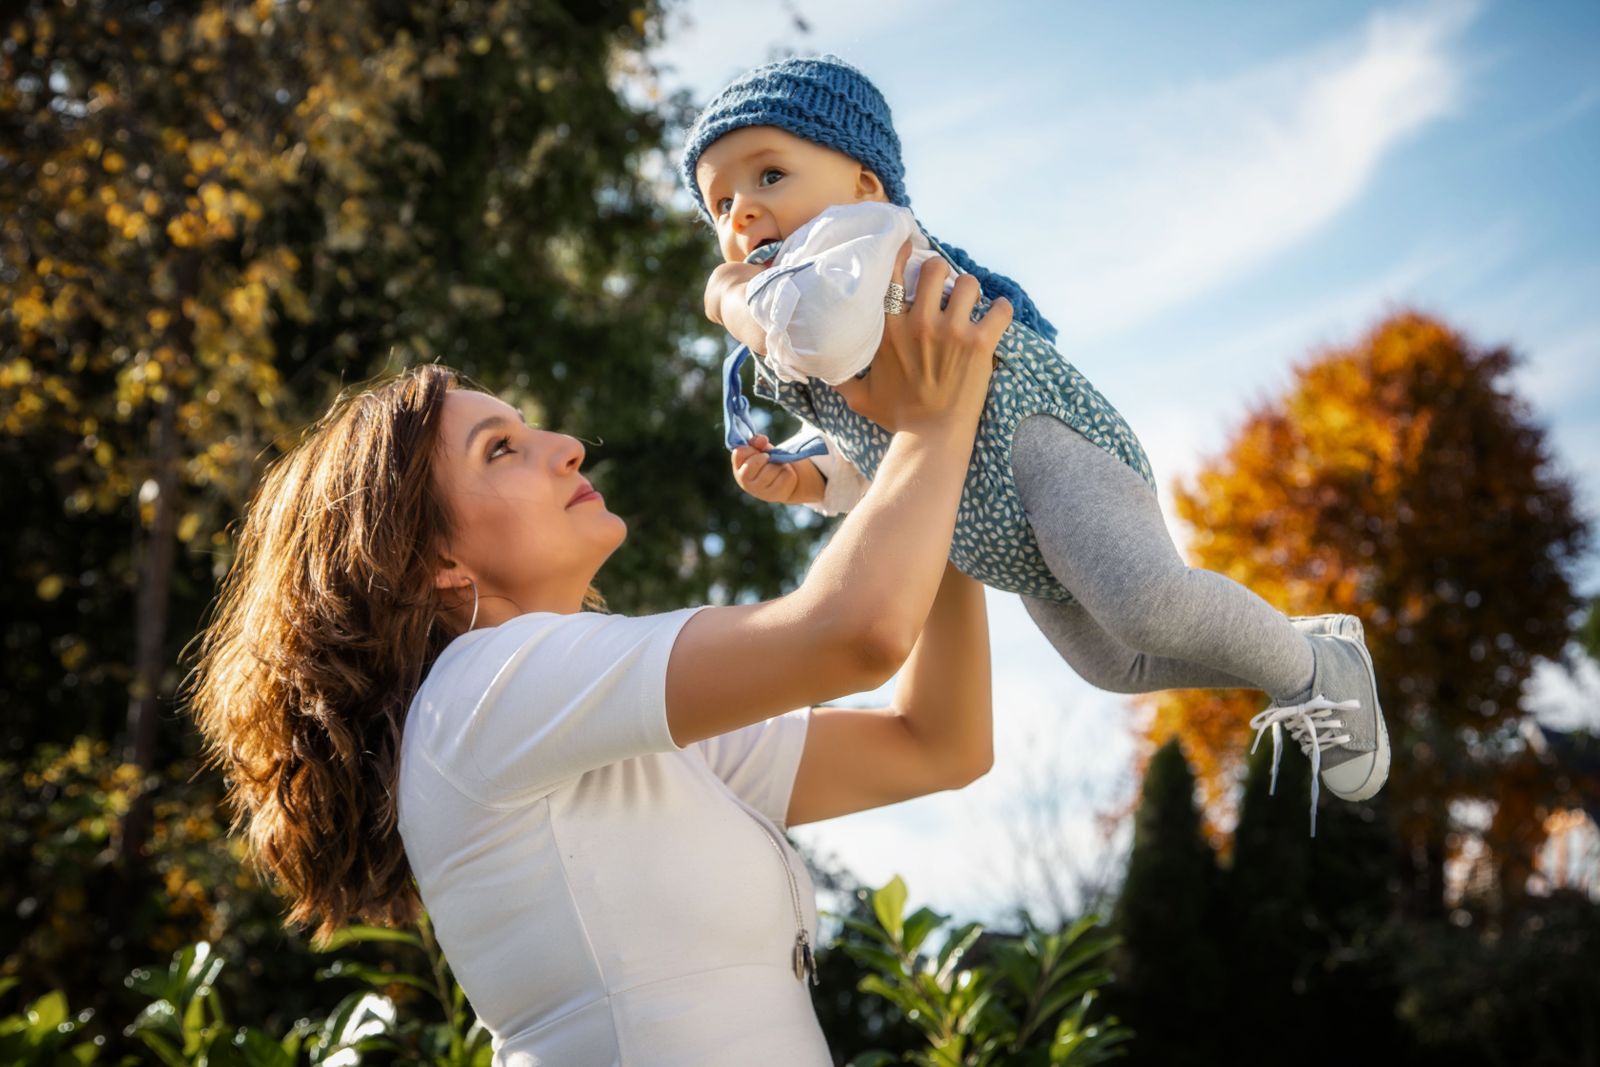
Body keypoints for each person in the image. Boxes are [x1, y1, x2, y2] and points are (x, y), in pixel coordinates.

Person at [185, 250, 1012, 1065]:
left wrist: (916, 463)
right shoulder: (482, 692)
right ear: (431, 561)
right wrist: (925, 423)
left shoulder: (608, 736)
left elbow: (936, 742)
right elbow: (850, 633)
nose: (569, 444)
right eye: (499, 449)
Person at [680, 54, 1390, 832]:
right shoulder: (809, 309)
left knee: (1146, 602)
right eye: (720, 204)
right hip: (995, 525)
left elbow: (817, 331)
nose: (742, 212)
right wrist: (811, 479)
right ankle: (1293, 649)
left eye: (770, 176)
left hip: (1045, 453)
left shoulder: (860, 243)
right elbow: (876, 446)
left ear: (864, 183)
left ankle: (1313, 672)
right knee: (1116, 662)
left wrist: (731, 299)